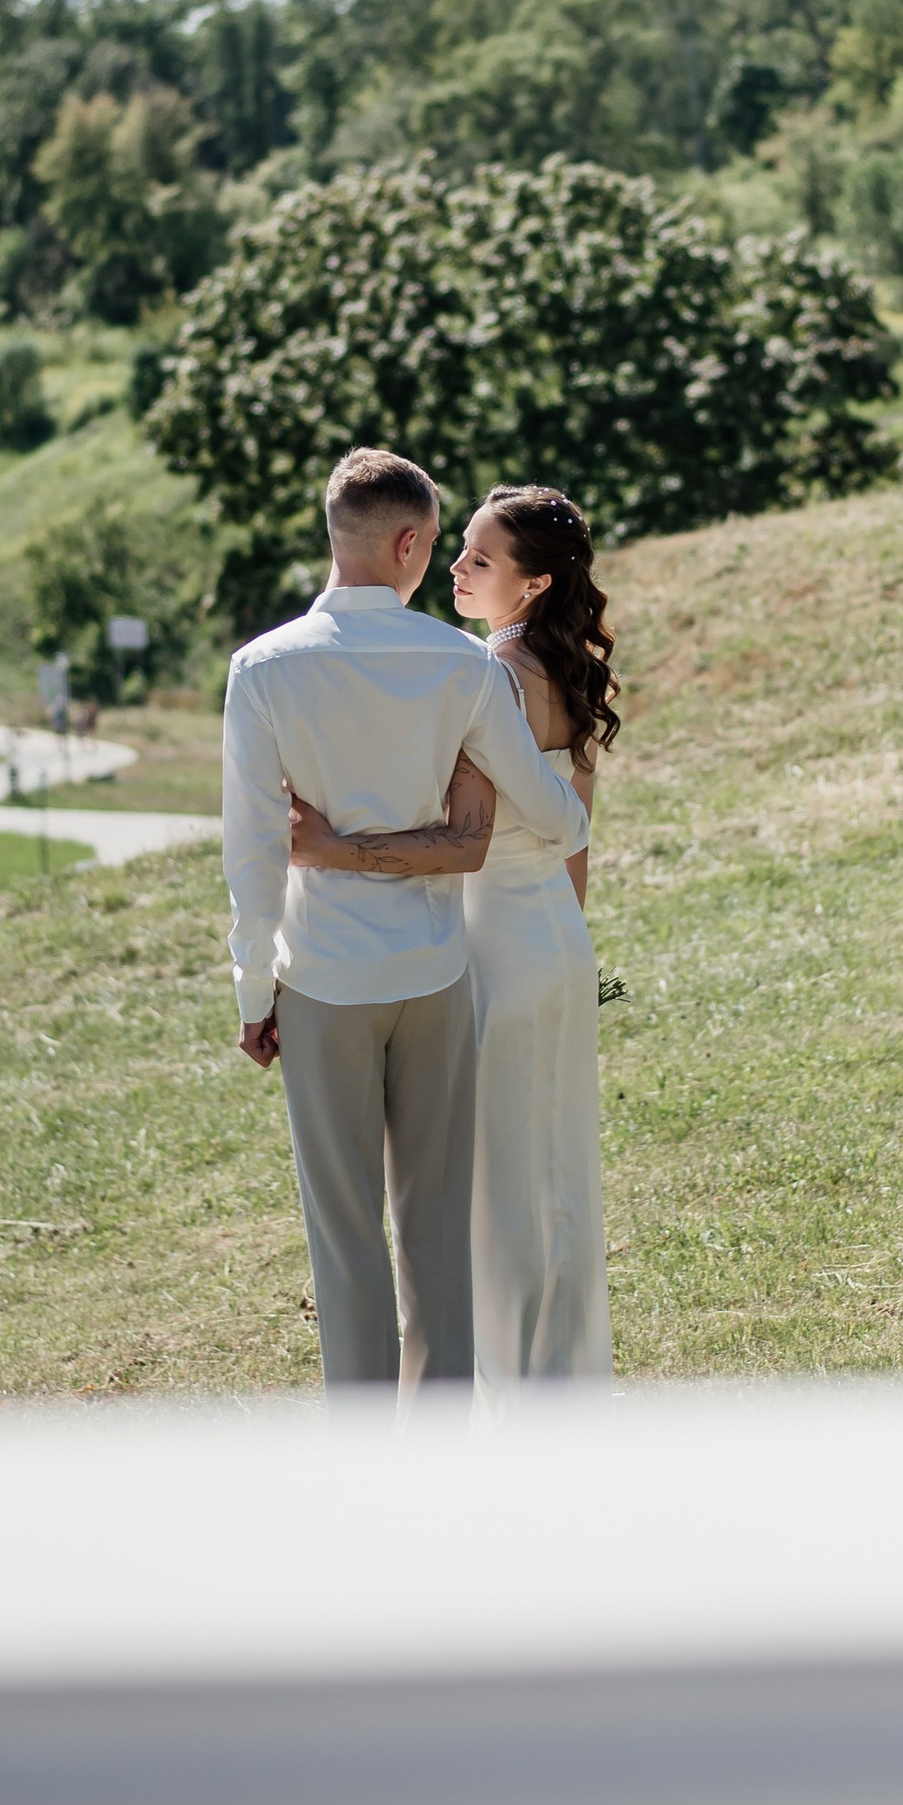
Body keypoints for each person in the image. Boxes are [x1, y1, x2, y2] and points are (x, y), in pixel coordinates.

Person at [221, 447, 590, 1396]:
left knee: (345, 1237)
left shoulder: (260, 670)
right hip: (436, 974)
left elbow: (255, 858)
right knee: (434, 1225)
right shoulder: (462, 663)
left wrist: (254, 993)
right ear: (413, 542)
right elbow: (560, 821)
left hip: (324, 981)